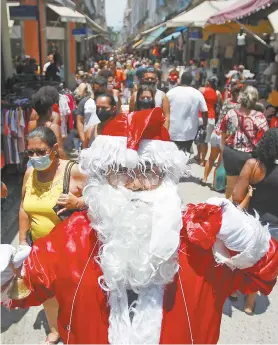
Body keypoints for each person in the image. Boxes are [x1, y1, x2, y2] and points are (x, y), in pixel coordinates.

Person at [1, 108, 278, 344]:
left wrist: (249, 239)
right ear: (101, 177)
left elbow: (264, 275)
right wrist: (6, 274)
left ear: (166, 177)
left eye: (147, 172)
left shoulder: (199, 238)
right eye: (120, 172)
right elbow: (23, 288)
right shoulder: (73, 236)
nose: (133, 185)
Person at [17, 127, 86, 344]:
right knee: (48, 293)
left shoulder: (74, 171)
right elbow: (23, 207)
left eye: (41, 151)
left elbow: (103, 197)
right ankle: (55, 330)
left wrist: (80, 202)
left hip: (72, 249)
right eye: (31, 153)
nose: (35, 158)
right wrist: (21, 242)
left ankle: (79, 329)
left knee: (75, 292)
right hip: (40, 248)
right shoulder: (29, 173)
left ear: (54, 148)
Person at [232, 128, 278, 314]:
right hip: (275, 227)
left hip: (250, 221)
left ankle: (235, 289)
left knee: (242, 258)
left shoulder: (254, 165)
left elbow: (236, 196)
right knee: (262, 265)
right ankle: (250, 302)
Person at [220, 86, 269, 199]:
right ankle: (239, 211)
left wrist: (224, 147)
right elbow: (264, 138)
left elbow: (223, 132)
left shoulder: (231, 113)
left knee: (230, 185)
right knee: (244, 187)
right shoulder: (260, 117)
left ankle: (227, 209)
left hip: (231, 152)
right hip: (249, 156)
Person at [201, 83, 242, 187]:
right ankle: (215, 184)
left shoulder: (226, 102)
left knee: (211, 158)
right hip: (225, 135)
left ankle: (204, 178)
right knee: (220, 161)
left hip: (216, 132)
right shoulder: (239, 106)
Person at [167, 72, 208, 154]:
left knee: (171, 155)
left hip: (172, 131)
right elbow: (204, 111)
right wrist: (204, 125)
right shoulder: (197, 93)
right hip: (189, 133)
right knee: (184, 156)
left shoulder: (170, 92)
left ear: (181, 80)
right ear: (191, 81)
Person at [28, 86, 65, 159]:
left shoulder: (30, 124)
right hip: (47, 159)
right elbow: (59, 149)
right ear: (49, 111)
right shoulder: (54, 127)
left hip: (34, 158)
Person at [197, 76, 222, 166]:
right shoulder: (218, 93)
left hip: (200, 116)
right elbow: (218, 105)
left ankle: (199, 156)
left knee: (199, 138)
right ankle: (203, 160)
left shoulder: (202, 90)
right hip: (211, 117)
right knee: (205, 140)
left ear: (208, 82)